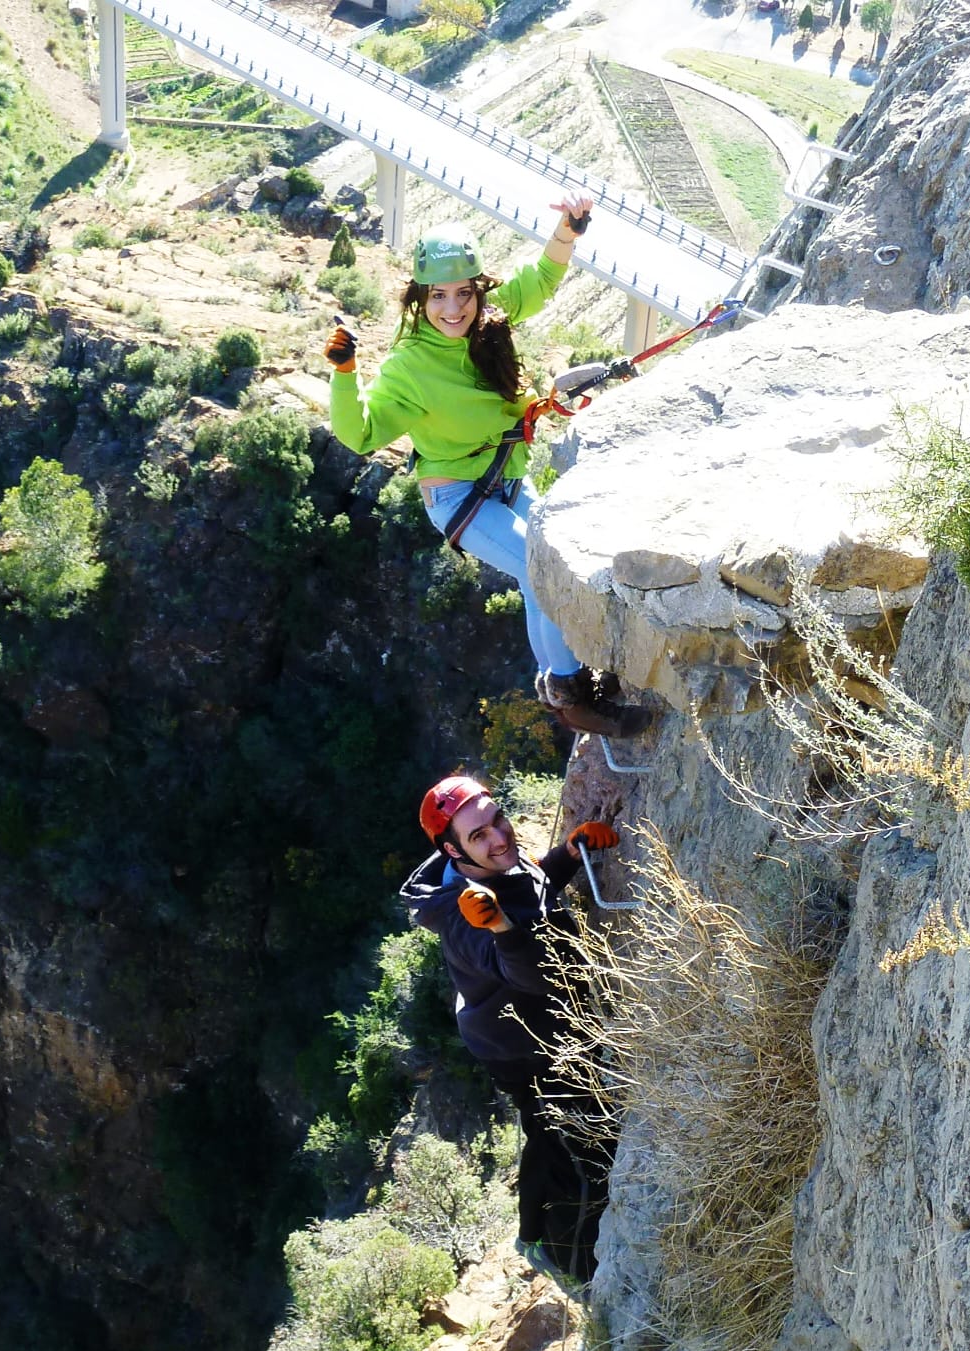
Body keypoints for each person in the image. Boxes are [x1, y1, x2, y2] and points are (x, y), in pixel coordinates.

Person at [325, 199, 648, 737]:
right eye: (439, 297)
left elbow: (540, 281)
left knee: (542, 572)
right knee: (544, 570)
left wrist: (566, 232)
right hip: (457, 498)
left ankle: (564, 677)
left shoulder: (489, 325)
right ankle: (573, 696)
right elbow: (360, 432)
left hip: (505, 478)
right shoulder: (409, 367)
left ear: (477, 290)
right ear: (419, 300)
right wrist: (345, 371)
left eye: (464, 294)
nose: (453, 309)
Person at [401, 774, 619, 1286]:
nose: (499, 837)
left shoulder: (495, 863)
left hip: (529, 1025)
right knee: (572, 1143)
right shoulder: (462, 917)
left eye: (497, 819)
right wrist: (499, 928)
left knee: (552, 1129)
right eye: (479, 835)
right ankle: (568, 1260)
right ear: (454, 851)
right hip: (518, 1043)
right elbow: (533, 975)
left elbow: (530, 888)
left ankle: (532, 1235)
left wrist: (567, 854)